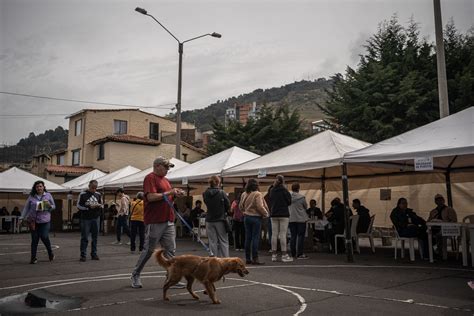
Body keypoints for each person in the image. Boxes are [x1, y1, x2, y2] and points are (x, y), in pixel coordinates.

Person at [130, 157, 185, 289]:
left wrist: (176, 194)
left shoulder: (165, 180)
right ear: (157, 166)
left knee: (170, 251)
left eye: (168, 168)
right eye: (166, 167)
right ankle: (135, 274)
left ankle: (171, 279)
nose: (167, 170)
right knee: (149, 250)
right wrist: (170, 192)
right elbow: (150, 197)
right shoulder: (150, 177)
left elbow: (167, 198)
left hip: (168, 220)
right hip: (155, 220)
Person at [20, 180, 55, 264]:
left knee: (44, 236)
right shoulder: (31, 196)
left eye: (40, 186)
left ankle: (50, 253)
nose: (39, 188)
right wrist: (21, 217)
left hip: (45, 221)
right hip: (33, 221)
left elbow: (54, 206)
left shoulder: (48, 195)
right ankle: (33, 258)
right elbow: (26, 208)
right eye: (37, 187)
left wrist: (49, 206)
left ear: (43, 187)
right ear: (35, 188)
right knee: (34, 239)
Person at [239, 179, 269, 265]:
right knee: (255, 238)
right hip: (256, 217)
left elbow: (240, 206)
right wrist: (266, 214)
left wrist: (244, 211)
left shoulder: (244, 194)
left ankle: (248, 258)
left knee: (248, 238)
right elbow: (260, 206)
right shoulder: (257, 194)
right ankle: (255, 258)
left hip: (246, 217)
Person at [203, 175, 230, 258]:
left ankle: (213, 260)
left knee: (212, 241)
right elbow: (227, 204)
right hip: (220, 219)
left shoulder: (205, 193)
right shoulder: (222, 192)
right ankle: (225, 260)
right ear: (218, 183)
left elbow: (206, 203)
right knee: (223, 240)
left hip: (209, 219)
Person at [268, 175, 293, 263]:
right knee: (283, 234)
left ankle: (274, 255)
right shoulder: (285, 191)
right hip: (283, 214)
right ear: (283, 182)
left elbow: (269, 200)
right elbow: (289, 202)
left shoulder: (271, 190)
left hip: (274, 214)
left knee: (274, 234)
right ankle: (284, 255)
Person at [77, 180, 103, 262]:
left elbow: (102, 205)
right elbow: (78, 206)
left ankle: (94, 254)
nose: (94, 190)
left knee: (95, 237)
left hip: (96, 218)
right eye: (92, 188)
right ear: (89, 186)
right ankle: (83, 255)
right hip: (86, 218)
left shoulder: (98, 194)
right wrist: (87, 207)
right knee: (85, 237)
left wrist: (99, 206)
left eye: (95, 188)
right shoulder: (82, 194)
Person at [288, 182, 309, 259]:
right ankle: (300, 253)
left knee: (293, 236)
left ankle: (293, 254)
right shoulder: (302, 197)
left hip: (291, 219)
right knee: (300, 236)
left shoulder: (288, 197)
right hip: (301, 219)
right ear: (298, 188)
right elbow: (306, 207)